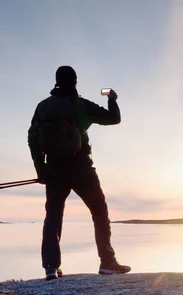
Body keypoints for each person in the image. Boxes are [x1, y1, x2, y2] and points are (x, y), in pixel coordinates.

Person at [27, 65, 131, 280]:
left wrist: (41, 169)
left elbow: (32, 138)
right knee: (99, 211)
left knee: (53, 216)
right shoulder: (81, 105)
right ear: (75, 81)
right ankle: (107, 263)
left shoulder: (43, 107)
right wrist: (112, 99)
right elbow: (114, 118)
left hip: (54, 168)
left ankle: (50, 267)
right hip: (81, 167)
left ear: (56, 81)